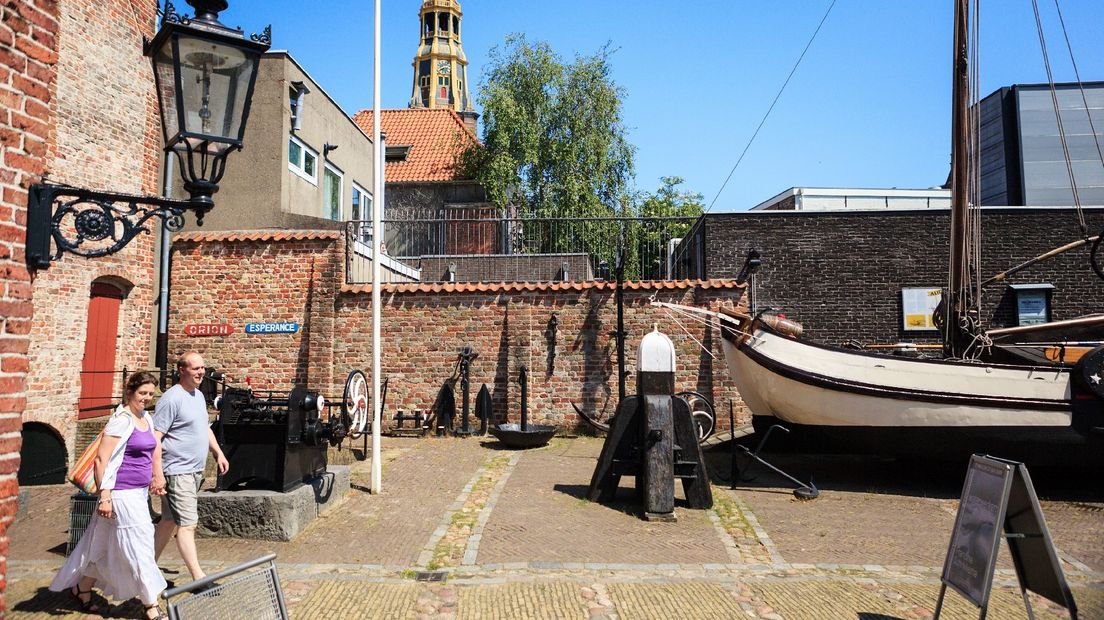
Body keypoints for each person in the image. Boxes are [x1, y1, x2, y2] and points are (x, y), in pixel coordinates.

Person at [50, 371, 169, 620]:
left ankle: (81, 588)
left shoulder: (146, 417)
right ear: (130, 392)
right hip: (119, 494)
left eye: (150, 393)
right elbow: (102, 459)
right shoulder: (121, 420)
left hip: (138, 492)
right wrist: (105, 496)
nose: (146, 398)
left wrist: (155, 477)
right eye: (142, 393)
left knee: (101, 546)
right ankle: (150, 605)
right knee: (141, 546)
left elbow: (152, 451)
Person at [152, 351, 228, 585]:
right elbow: (155, 437)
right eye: (196, 368)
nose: (201, 372)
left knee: (168, 521)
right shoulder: (171, 398)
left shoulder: (196, 396)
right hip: (177, 471)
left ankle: (146, 566)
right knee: (187, 524)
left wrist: (218, 452)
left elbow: (204, 427)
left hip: (193, 471)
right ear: (181, 370)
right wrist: (157, 474)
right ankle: (198, 578)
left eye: (203, 368)